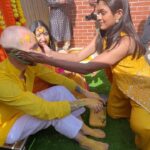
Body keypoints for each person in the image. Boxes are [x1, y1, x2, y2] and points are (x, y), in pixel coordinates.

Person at [20, 0, 150, 149]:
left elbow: (87, 68)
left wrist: (44, 59)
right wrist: (50, 54)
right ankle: (130, 106)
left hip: (142, 87)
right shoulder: (102, 33)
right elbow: (78, 56)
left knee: (141, 126)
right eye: (97, 11)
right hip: (121, 85)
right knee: (113, 113)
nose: (97, 15)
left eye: (102, 12)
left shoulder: (126, 41)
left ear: (118, 14)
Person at [0, 26, 109, 150]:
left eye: (37, 45)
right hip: (8, 127)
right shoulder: (2, 81)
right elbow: (44, 110)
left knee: (59, 91)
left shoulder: (29, 65)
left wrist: (85, 92)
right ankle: (83, 140)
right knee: (51, 114)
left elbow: (55, 77)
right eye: (33, 48)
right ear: (13, 53)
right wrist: (84, 101)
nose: (40, 52)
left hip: (24, 106)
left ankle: (83, 128)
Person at [30, 20, 88, 94]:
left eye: (45, 34)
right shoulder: (35, 56)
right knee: (76, 78)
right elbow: (50, 79)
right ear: (33, 38)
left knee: (77, 75)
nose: (43, 39)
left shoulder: (48, 51)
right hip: (43, 91)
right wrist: (65, 73)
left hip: (54, 84)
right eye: (39, 35)